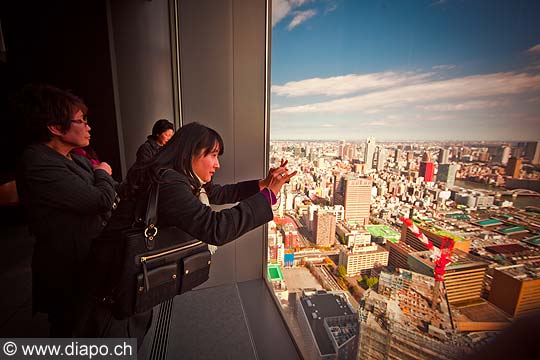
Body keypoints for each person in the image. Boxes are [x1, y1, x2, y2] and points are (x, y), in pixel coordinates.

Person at [77, 122, 296, 342]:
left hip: (125, 278)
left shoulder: (179, 177)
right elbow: (216, 228)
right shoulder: (169, 182)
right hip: (111, 291)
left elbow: (219, 193)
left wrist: (263, 184)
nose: (217, 164)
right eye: (212, 155)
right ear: (190, 152)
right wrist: (268, 196)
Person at [14, 84, 117, 337]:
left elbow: (113, 188)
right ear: (56, 127)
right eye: (81, 121)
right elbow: (101, 199)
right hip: (66, 270)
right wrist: (103, 172)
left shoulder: (75, 157)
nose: (88, 126)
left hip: (88, 261)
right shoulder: (38, 162)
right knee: (71, 332)